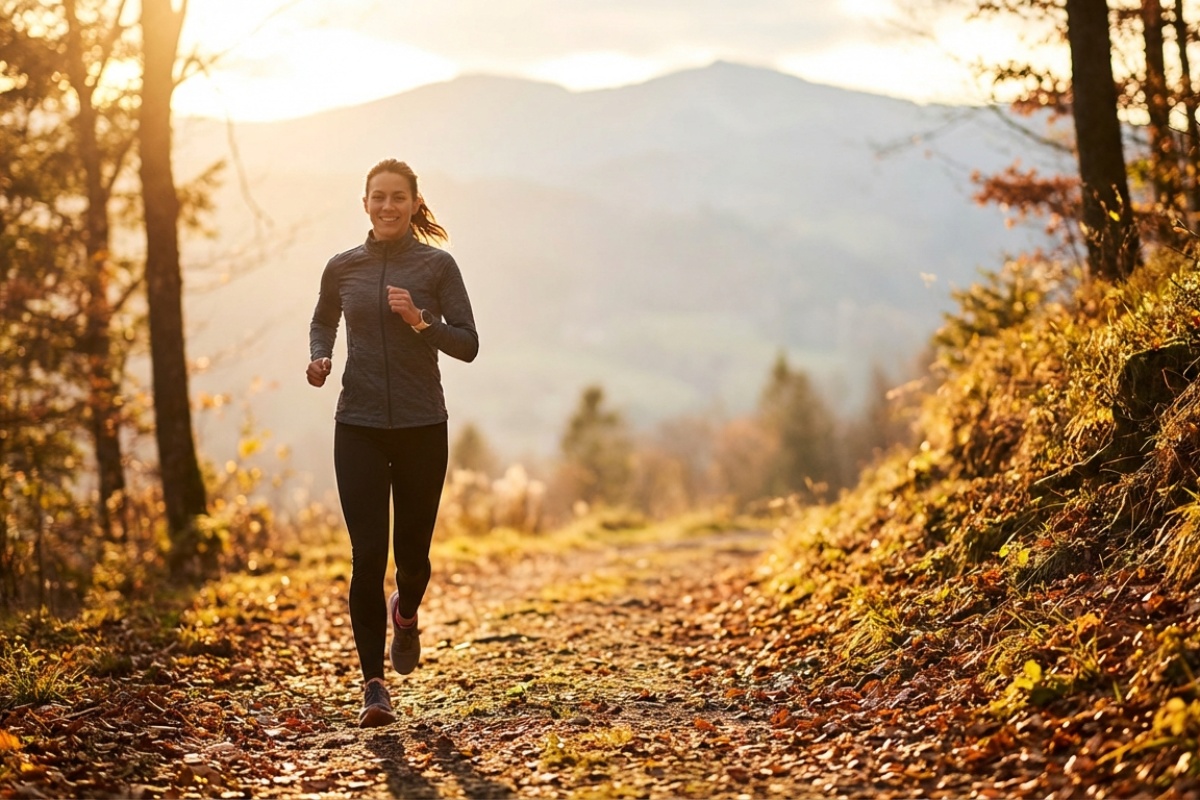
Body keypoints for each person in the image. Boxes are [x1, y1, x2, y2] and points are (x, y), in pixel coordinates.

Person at [307, 159, 479, 727]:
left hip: (421, 426)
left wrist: (421, 321)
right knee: (366, 558)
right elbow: (323, 320)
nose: (387, 206)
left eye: (397, 197)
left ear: (413, 204)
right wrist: (320, 357)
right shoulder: (343, 266)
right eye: (378, 197)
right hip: (356, 424)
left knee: (413, 561)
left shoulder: (437, 265)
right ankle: (373, 688)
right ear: (365, 203)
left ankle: (405, 616)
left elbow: (468, 344)